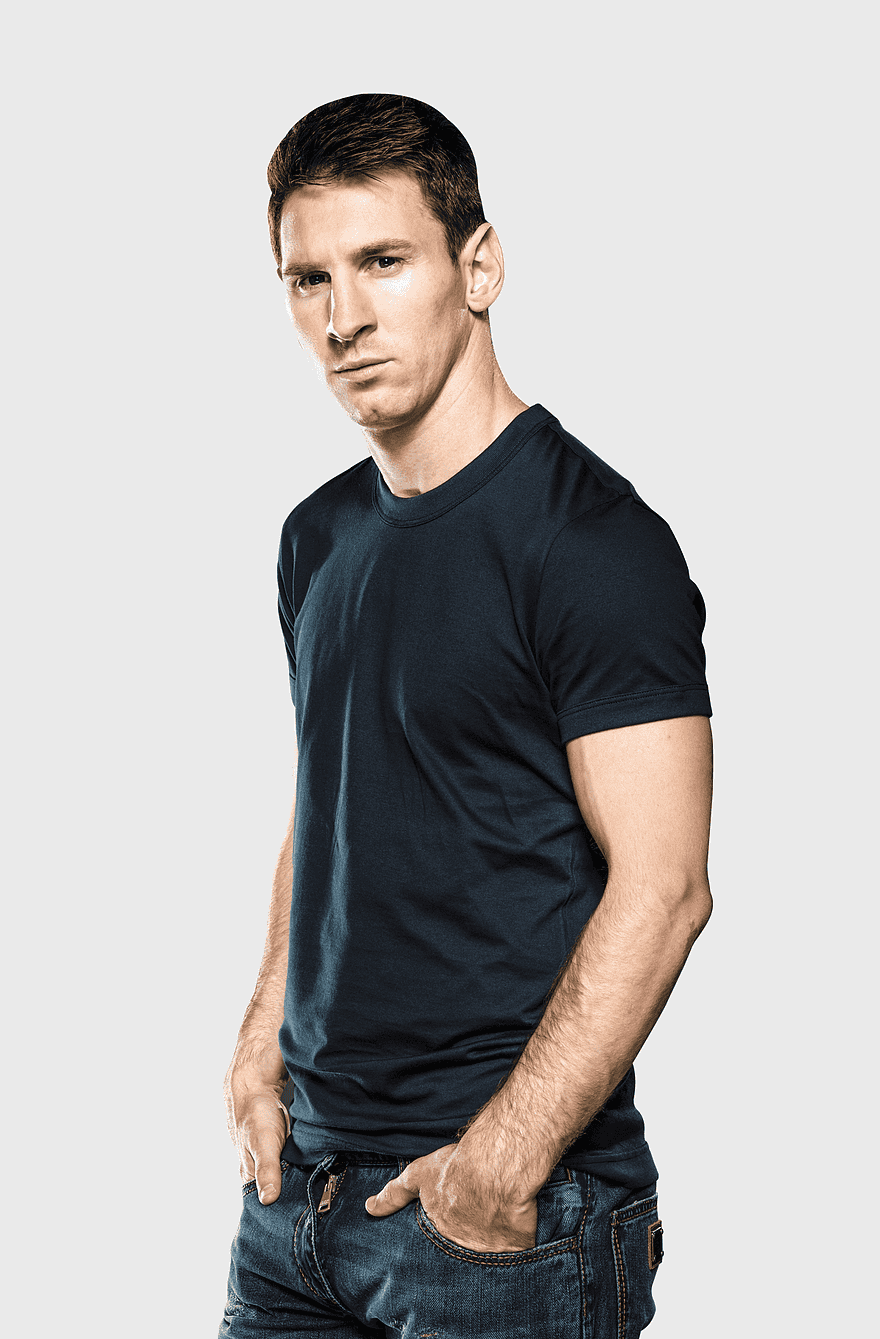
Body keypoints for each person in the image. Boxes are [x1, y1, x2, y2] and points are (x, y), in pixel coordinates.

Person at [220, 92, 713, 1339]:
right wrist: (262, 1035)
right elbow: (331, 800)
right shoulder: (317, 537)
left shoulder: (591, 542)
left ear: (477, 267)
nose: (342, 317)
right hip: (297, 1210)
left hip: (498, 1221)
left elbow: (664, 887)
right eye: (309, 279)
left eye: (382, 262)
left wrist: (502, 1162)